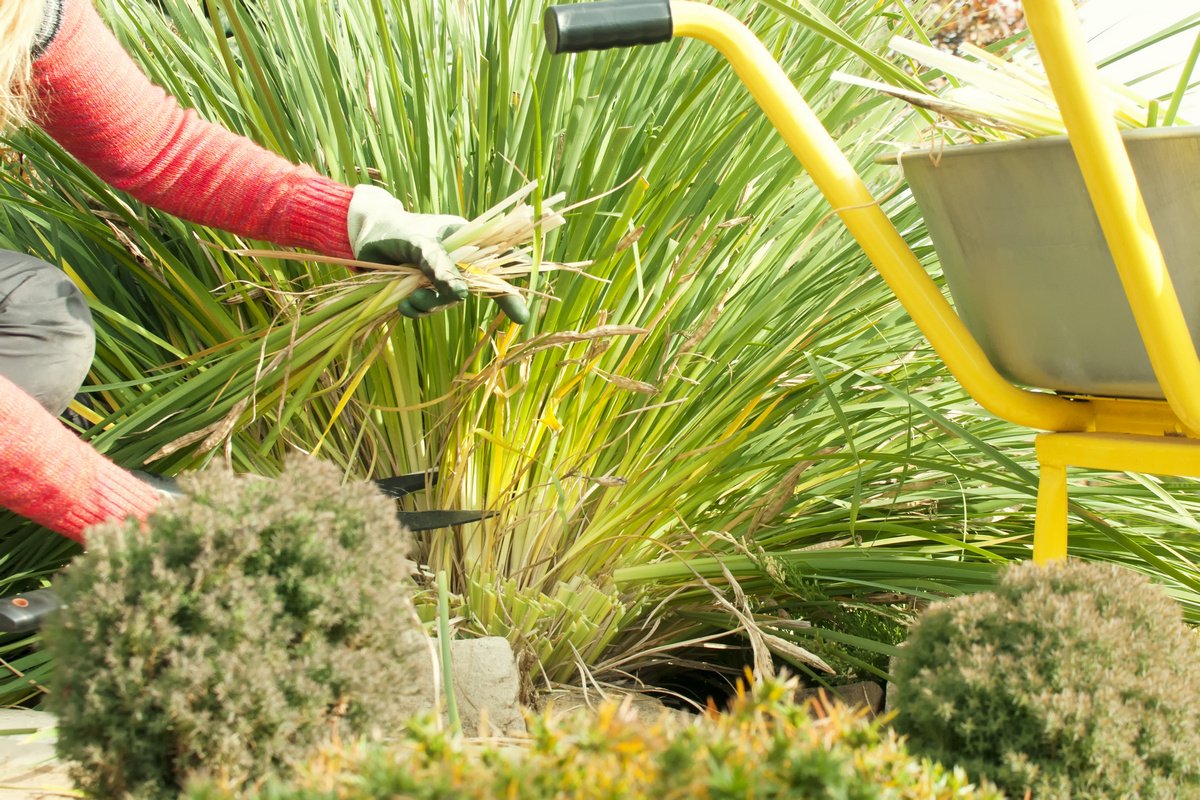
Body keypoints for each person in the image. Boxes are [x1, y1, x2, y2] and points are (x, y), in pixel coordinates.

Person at [0, 0, 527, 543]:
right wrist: (134, 515)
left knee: (38, 312)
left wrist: (361, 222)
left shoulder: (34, 14)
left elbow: (160, 147)